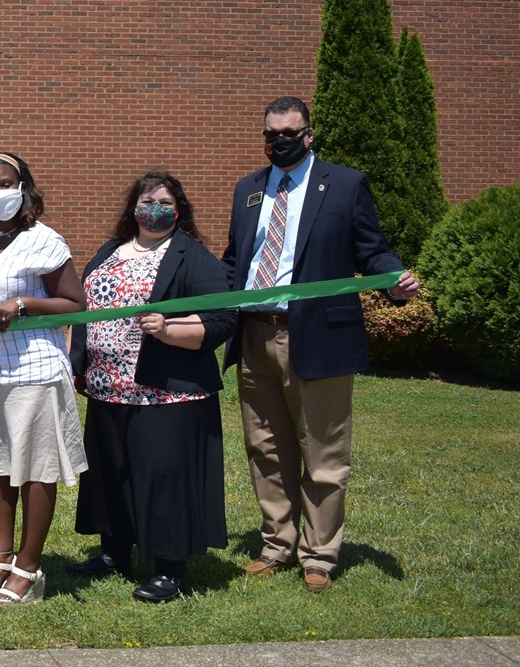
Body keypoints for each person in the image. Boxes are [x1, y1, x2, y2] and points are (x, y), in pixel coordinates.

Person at [224, 96, 419, 593]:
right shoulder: (248, 189)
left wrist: (391, 279)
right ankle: (277, 544)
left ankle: (319, 554)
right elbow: (234, 262)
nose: (279, 141)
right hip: (254, 335)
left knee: (325, 453)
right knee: (265, 447)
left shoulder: (345, 184)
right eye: (271, 133)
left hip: (318, 336)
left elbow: (370, 248)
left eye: (290, 132)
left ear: (309, 134)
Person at [69, 171, 236, 603]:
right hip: (108, 387)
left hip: (166, 392)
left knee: (161, 476)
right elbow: (86, 311)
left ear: (178, 209)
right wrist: (79, 364)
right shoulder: (110, 251)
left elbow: (222, 318)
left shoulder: (192, 257)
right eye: (147, 200)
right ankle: (113, 553)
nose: (154, 208)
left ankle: (168, 568)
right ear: (133, 206)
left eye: (164, 201)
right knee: (111, 473)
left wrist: (169, 330)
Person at [0, 152, 85, 605]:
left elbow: (74, 303)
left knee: (36, 471)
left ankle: (28, 567)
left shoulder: (44, 240)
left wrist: (26, 303)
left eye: (6, 183)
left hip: (35, 371)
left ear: (23, 186)